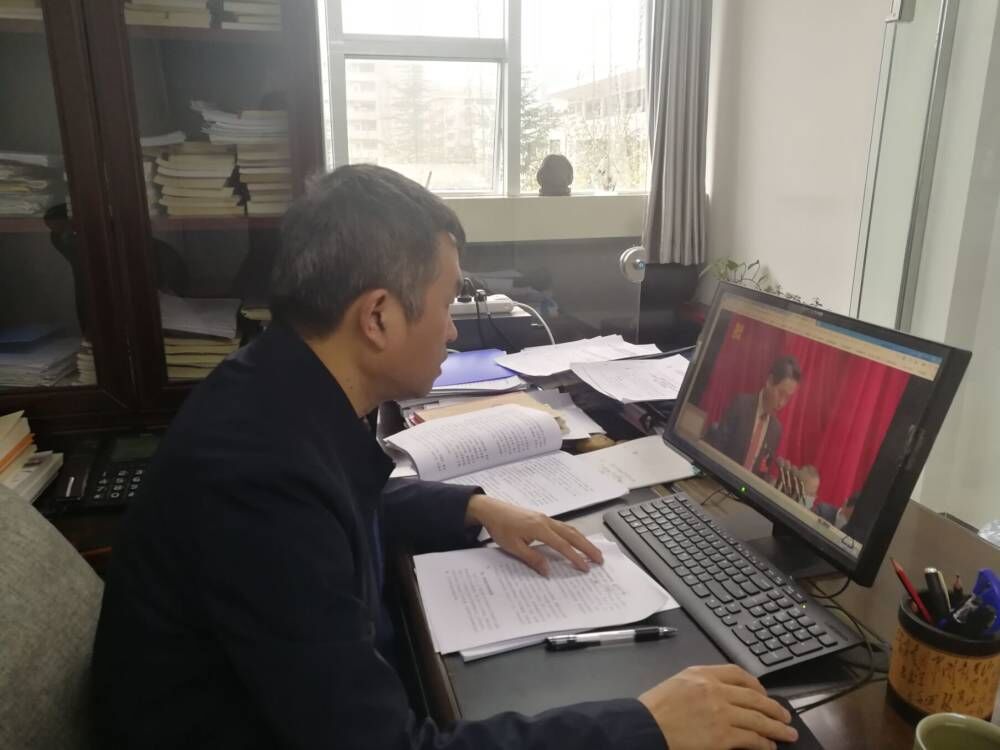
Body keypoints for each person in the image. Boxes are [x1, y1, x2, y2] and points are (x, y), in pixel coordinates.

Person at [92, 165, 797, 750]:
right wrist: (645, 727)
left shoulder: (276, 389)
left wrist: (472, 507)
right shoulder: (258, 479)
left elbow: (340, 502)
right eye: (446, 301)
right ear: (377, 317)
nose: (453, 330)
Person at [706, 355, 802, 477]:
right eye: (780, 393)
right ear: (769, 381)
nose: (781, 403)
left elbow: (763, 470)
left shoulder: (776, 430)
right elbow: (717, 448)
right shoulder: (741, 405)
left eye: (787, 398)